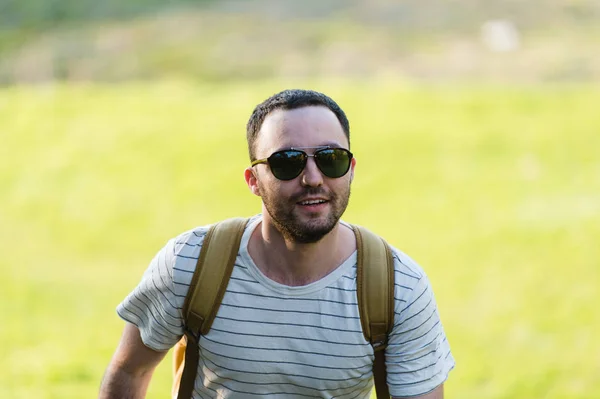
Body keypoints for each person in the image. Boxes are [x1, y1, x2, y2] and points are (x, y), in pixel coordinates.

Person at [99, 89, 455, 399]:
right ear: (254, 180)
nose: (313, 178)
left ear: (351, 168)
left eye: (331, 159)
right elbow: (130, 372)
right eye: (287, 163)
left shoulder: (399, 288)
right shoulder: (190, 265)